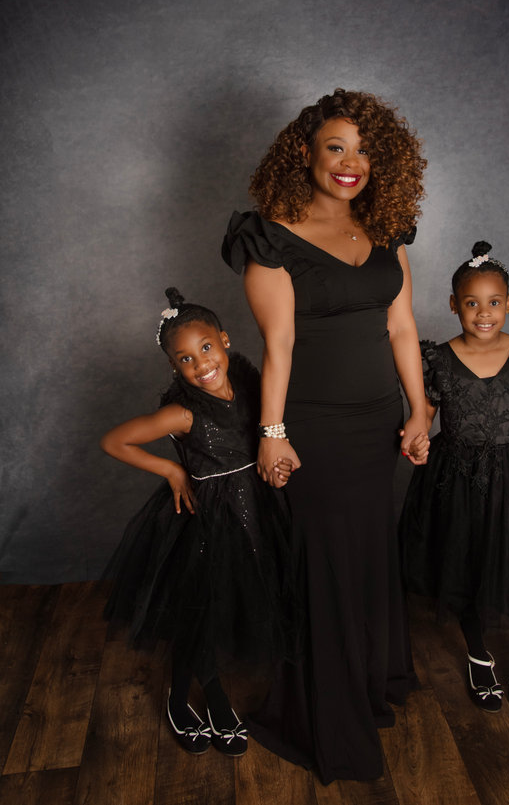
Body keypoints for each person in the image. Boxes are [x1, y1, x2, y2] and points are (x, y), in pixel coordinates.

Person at [222, 88, 429, 783]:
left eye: (365, 149)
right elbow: (276, 345)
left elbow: (402, 328)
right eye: (335, 146)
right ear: (303, 152)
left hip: (377, 425)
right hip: (313, 427)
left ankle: (370, 685)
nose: (351, 162)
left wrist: (420, 409)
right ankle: (326, 718)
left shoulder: (387, 227)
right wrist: (272, 432)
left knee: (369, 554)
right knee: (326, 566)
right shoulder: (270, 235)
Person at [101, 287, 298, 756]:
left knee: (245, 598)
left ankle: (208, 694)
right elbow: (116, 441)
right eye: (185, 359)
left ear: (225, 340)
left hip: (259, 508)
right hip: (209, 521)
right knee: (203, 610)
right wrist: (172, 469)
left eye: (206, 348)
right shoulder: (183, 412)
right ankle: (191, 696)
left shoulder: (251, 384)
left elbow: (268, 436)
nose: (200, 364)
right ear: (175, 368)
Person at [401, 241, 509, 712]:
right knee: (465, 563)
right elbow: (425, 413)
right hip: (454, 480)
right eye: (472, 303)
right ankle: (477, 654)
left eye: (494, 302)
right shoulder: (438, 359)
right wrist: (417, 438)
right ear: (454, 305)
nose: (483, 313)